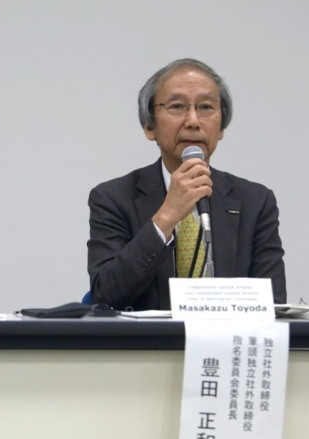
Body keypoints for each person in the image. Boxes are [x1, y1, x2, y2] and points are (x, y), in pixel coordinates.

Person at [87, 58, 286, 311]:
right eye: (177, 106)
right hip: (147, 348)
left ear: (221, 127)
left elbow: (272, 304)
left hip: (225, 344)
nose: (193, 120)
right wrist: (167, 215)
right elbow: (105, 296)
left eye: (205, 107)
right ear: (149, 126)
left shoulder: (255, 201)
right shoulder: (112, 198)